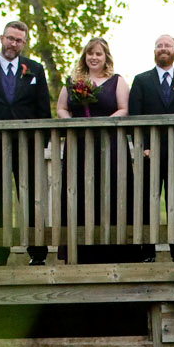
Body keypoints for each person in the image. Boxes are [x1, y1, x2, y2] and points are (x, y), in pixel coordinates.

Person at [0, 19, 52, 266]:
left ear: (24, 43)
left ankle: (37, 253)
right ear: (1, 38)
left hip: (28, 146)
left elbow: (42, 110)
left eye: (18, 40)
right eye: (10, 38)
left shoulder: (34, 70)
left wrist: (41, 143)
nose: (13, 43)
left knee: (32, 197)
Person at [56, 37, 130, 257]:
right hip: (79, 144)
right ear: (84, 56)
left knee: (111, 188)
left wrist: (103, 123)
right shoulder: (73, 81)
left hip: (110, 144)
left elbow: (124, 109)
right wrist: (71, 121)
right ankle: (79, 248)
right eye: (90, 53)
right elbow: (61, 108)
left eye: (98, 54)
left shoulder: (117, 81)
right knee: (78, 190)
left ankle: (114, 249)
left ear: (106, 57)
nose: (94, 57)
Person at [127, 33, 174, 247]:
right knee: (147, 201)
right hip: (150, 153)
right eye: (159, 46)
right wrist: (144, 147)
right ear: (154, 51)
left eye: (167, 45)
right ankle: (146, 249)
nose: (163, 48)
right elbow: (135, 116)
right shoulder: (141, 80)